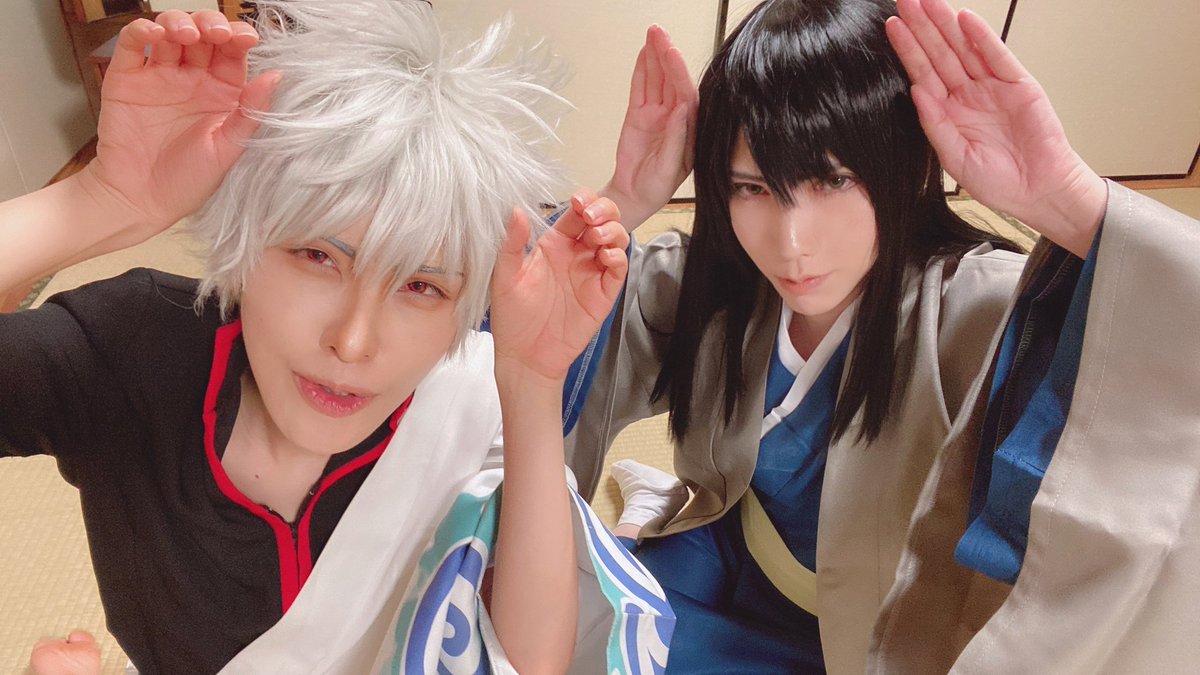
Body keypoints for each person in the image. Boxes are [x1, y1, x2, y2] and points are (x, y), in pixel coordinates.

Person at [2, 2, 673, 673]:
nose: (353, 343)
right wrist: (97, 203)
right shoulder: (130, 353)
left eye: (422, 286)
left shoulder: (464, 401)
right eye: (317, 256)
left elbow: (530, 661)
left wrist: (533, 384)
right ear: (246, 231)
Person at [564, 0, 1200, 672]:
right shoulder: (716, 279)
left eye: (834, 180)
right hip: (721, 557)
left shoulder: (979, 305)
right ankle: (658, 513)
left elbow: (1160, 365)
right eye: (752, 188)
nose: (791, 243)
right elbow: (525, 346)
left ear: (903, 166)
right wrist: (624, 198)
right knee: (568, 640)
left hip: (885, 628)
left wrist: (1067, 198)